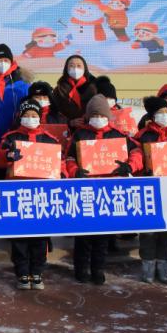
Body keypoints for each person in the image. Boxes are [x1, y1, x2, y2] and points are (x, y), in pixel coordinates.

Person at [65, 95, 142, 285]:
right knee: (83, 234)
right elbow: (68, 158)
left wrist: (129, 166)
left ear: (108, 116)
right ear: (88, 116)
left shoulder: (118, 135)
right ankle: (81, 268)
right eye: (94, 115)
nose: (98, 119)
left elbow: (137, 152)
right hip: (85, 190)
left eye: (101, 115)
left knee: (103, 235)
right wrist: (74, 171)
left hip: (109, 191)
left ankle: (98, 268)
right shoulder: (80, 135)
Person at [0, 99, 64, 290]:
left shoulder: (50, 139)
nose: (30, 119)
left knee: (40, 236)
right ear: (20, 117)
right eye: (26, 115)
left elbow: (59, 163)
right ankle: (22, 273)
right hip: (17, 193)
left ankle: (37, 272)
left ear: (40, 117)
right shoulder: (11, 138)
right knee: (20, 236)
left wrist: (64, 173)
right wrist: (8, 156)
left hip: (42, 195)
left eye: (34, 115)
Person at [135, 96, 167, 284]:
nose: (165, 115)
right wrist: (142, 169)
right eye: (160, 112)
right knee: (148, 229)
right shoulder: (142, 137)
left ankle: (163, 264)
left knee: (166, 229)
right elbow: (136, 157)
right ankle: (147, 265)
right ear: (152, 116)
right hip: (148, 189)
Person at [52, 55, 99, 123]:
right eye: (71, 66)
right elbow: (55, 112)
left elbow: (100, 109)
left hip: (92, 125)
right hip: (66, 127)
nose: (75, 69)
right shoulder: (59, 89)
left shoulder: (94, 87)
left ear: (85, 68)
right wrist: (70, 122)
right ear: (66, 69)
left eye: (79, 66)